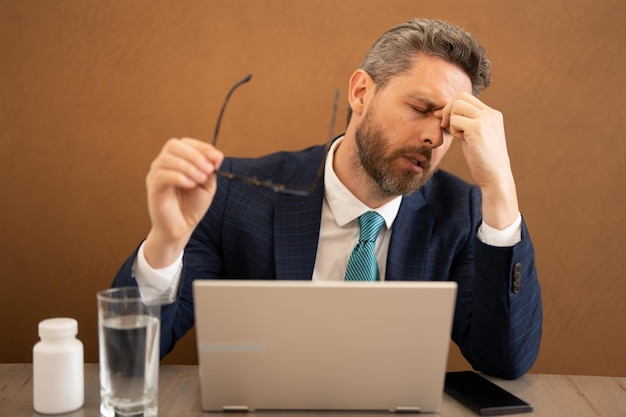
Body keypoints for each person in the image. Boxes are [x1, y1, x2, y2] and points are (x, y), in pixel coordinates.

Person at [113, 18, 542, 379]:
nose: (434, 136)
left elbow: (504, 360)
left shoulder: (463, 212)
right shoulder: (233, 195)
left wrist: (501, 190)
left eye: (449, 126)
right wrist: (167, 244)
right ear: (360, 93)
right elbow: (132, 360)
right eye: (420, 107)